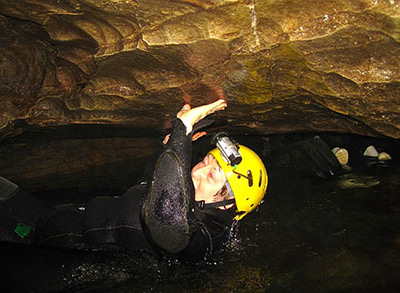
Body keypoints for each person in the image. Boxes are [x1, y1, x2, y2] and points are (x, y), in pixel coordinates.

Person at [0, 99, 268, 263]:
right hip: (57, 219)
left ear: (225, 205)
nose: (196, 171)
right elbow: (146, 188)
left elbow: (168, 224)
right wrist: (166, 148)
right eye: (204, 162)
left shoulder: (202, 240)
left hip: (49, 244)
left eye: (211, 176)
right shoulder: (189, 197)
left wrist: (181, 133)